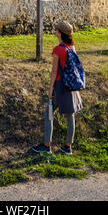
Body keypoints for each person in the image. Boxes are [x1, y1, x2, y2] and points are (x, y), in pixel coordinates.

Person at [32, 21, 83, 155]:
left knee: (48, 113)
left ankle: (46, 145)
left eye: (56, 30)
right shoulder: (72, 47)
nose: (55, 32)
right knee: (70, 115)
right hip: (71, 85)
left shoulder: (58, 49)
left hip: (60, 86)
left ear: (60, 33)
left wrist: (50, 90)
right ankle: (67, 147)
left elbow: (54, 72)